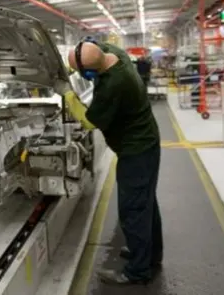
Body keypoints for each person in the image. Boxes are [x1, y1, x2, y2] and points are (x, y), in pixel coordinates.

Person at [57, 38, 162, 285]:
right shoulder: (115, 54)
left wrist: (68, 95)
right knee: (146, 204)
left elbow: (88, 121)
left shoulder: (115, 85)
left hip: (136, 151)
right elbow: (92, 48)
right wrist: (70, 67)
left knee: (133, 209)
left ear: (91, 72)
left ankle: (137, 271)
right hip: (145, 142)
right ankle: (148, 255)